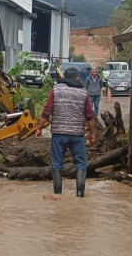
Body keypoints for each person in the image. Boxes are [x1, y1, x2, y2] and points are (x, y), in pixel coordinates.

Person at [36, 67, 96, 197]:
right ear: (77, 78)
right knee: (81, 164)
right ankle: (80, 195)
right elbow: (90, 116)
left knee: (57, 164)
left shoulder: (55, 91)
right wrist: (93, 133)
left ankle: (57, 193)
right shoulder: (83, 93)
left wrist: (39, 128)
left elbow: (47, 112)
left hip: (59, 135)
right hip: (77, 135)